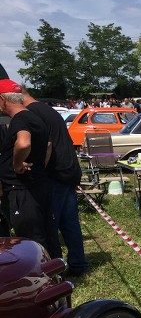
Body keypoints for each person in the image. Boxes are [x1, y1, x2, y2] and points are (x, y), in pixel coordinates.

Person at [23, 88, 88, 275]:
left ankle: (54, 269)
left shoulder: (32, 113)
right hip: (68, 171)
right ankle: (78, 264)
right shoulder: (47, 110)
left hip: (55, 175)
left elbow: (48, 144)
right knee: (70, 223)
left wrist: (38, 170)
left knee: (50, 226)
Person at [0, 79, 60, 258]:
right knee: (47, 232)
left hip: (23, 190)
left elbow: (24, 143)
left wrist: (17, 164)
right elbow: (48, 145)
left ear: (3, 99)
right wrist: (39, 164)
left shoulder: (20, 119)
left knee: (29, 238)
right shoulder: (34, 117)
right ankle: (55, 271)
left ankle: (39, 277)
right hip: (38, 184)